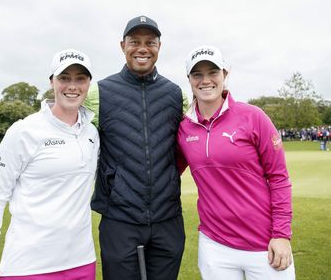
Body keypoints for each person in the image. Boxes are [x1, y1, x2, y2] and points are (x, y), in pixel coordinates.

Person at [0, 49, 99, 280]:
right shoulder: (24, 130)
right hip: (29, 266)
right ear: (52, 82)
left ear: (89, 83)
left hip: (82, 263)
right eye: (64, 78)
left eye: (80, 78)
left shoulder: (91, 132)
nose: (72, 86)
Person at [176, 45, 295, 280]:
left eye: (213, 72)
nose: (205, 80)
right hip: (214, 245)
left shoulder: (253, 117)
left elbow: (279, 178)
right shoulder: (183, 129)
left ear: (225, 75)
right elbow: (168, 172)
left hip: (264, 244)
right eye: (197, 74)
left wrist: (281, 234)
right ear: (189, 79)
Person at [87, 15, 186, 280]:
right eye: (134, 41)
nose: (142, 48)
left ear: (159, 47)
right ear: (122, 46)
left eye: (150, 42)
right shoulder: (99, 92)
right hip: (119, 219)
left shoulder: (175, 94)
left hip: (168, 219)